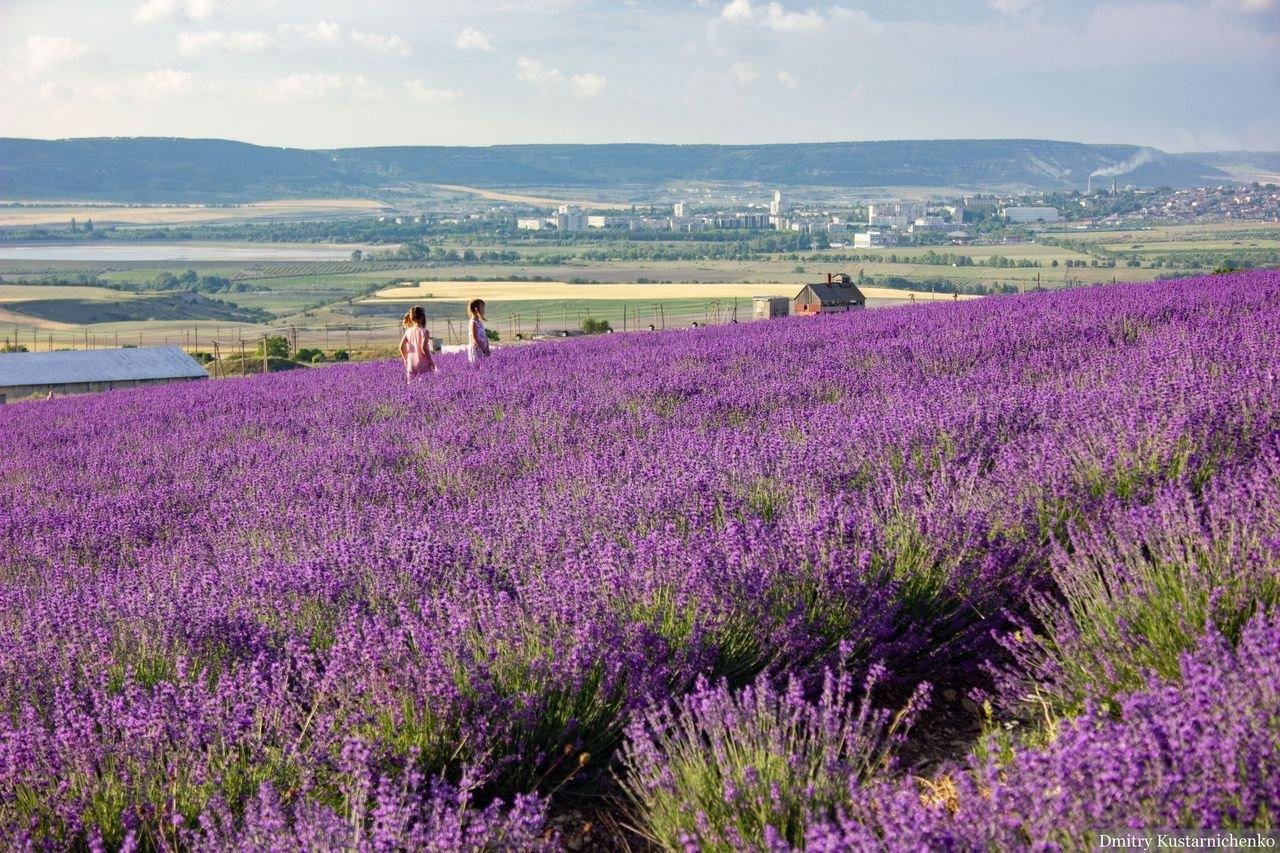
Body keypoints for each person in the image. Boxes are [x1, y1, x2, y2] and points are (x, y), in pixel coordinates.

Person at [399, 305, 435, 383]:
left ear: (411, 318)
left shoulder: (408, 331)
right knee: (427, 386)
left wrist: (405, 359)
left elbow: (401, 346)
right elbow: (423, 347)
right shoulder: (425, 331)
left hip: (411, 364)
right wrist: (431, 361)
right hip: (423, 365)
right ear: (422, 318)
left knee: (411, 386)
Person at [467, 299, 490, 368]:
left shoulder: (479, 322)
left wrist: (487, 347)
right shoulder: (473, 322)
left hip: (483, 351)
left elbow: (484, 336)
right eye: (482, 308)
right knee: (477, 369)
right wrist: (484, 349)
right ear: (476, 309)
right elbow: (475, 339)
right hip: (477, 352)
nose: (484, 310)